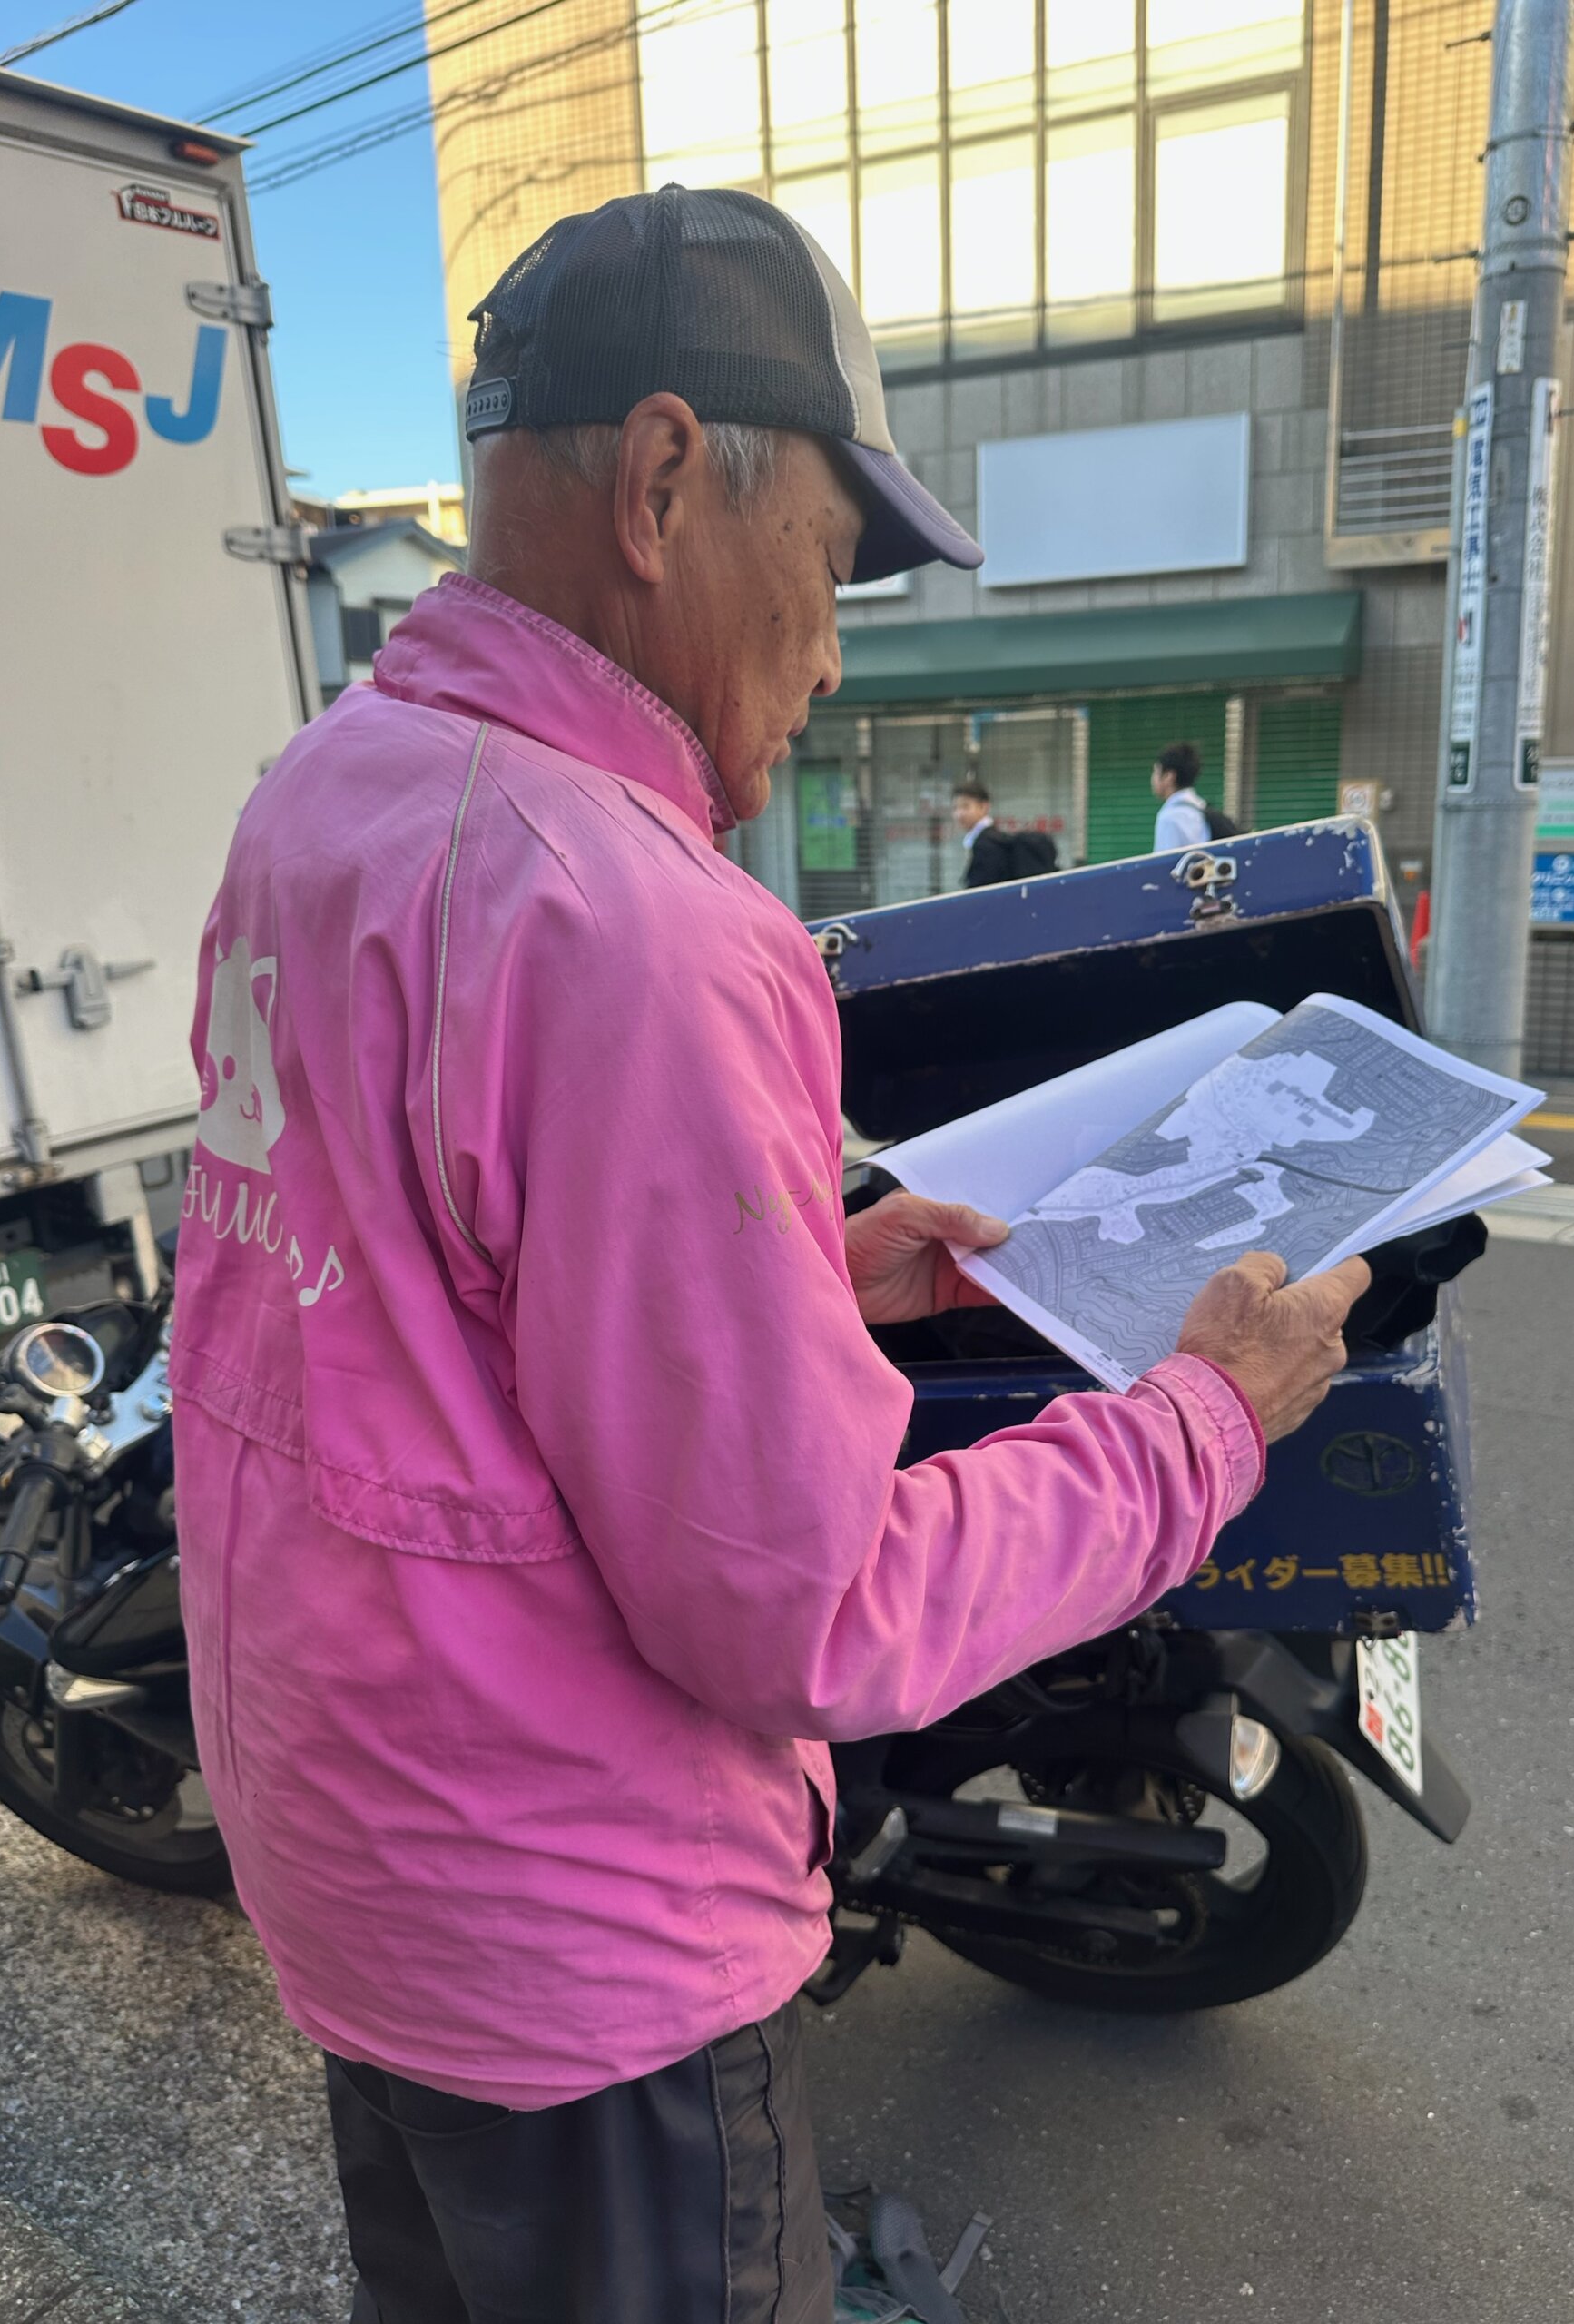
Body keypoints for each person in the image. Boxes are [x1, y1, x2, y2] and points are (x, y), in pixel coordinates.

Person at [171, 184, 1367, 2324]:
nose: (829, 653)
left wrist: (803, 1261)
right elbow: (814, 1610)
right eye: (824, 565)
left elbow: (414, 1286)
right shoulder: (640, 919)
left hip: (363, 1867)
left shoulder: (323, 798)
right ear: (660, 482)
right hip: (584, 1952)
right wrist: (1203, 1422)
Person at [1151, 740, 1235, 852]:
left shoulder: (1169, 817)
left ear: (1169, 776)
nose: (1153, 779)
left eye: (1156, 772)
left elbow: (1166, 861)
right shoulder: (1200, 808)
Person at [953, 777, 1010, 885]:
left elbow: (982, 886)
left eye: (965, 807)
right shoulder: (986, 838)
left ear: (984, 807)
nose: (959, 814)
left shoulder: (987, 843)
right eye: (955, 808)